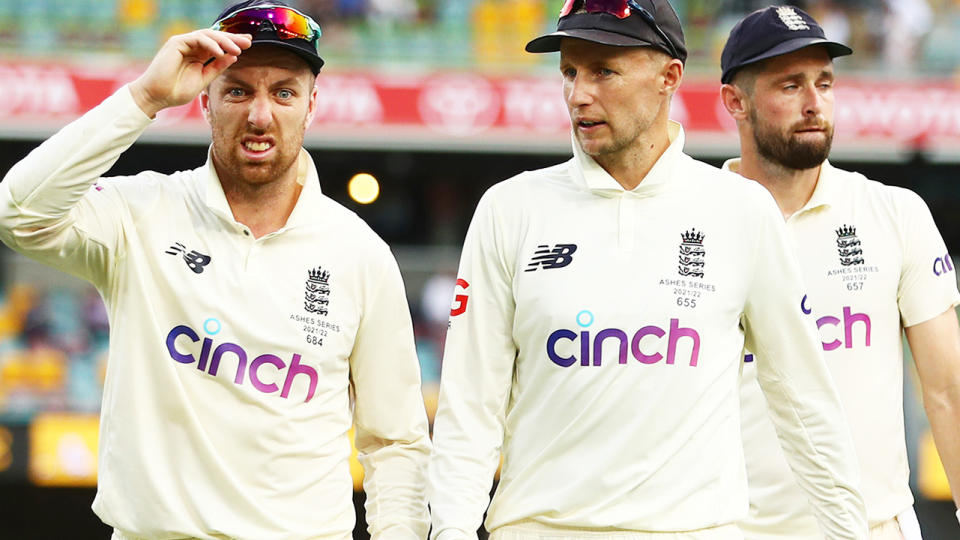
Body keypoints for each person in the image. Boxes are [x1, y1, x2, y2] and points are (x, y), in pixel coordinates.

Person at [428, 1, 868, 539]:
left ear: (669, 76)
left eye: (603, 71)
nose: (578, 94)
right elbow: (470, 410)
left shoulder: (740, 209)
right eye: (569, 72)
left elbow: (805, 404)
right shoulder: (510, 208)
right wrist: (449, 531)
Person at [0, 1, 431, 538]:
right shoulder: (141, 212)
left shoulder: (360, 253)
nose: (260, 114)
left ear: (312, 105)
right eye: (238, 90)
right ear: (205, 101)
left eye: (284, 92)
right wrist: (144, 98)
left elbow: (394, 443)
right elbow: (17, 214)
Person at [718, 6, 960, 539]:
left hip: (874, 528)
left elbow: (948, 391)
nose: (814, 104)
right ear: (735, 101)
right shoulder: (697, 224)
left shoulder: (895, 213)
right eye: (789, 85)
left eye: (824, 83)